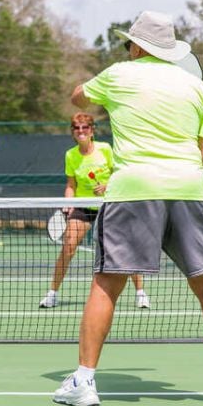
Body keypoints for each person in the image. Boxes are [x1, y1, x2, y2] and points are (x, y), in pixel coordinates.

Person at [53, 11, 203, 406]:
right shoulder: (197, 88)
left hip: (134, 191)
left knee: (107, 284)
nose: (127, 49)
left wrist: (100, 95)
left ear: (140, 46)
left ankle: (84, 382)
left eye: (129, 43)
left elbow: (78, 97)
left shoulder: (118, 74)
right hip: (190, 189)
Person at [39, 112, 149, 310]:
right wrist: (68, 202)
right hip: (83, 206)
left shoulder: (105, 149)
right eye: (76, 128)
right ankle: (52, 294)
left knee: (125, 248)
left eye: (85, 128)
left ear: (92, 131)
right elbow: (71, 185)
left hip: (109, 205)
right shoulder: (70, 155)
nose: (81, 131)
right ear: (72, 132)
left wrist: (107, 185)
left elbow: (121, 173)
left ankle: (141, 293)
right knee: (68, 246)